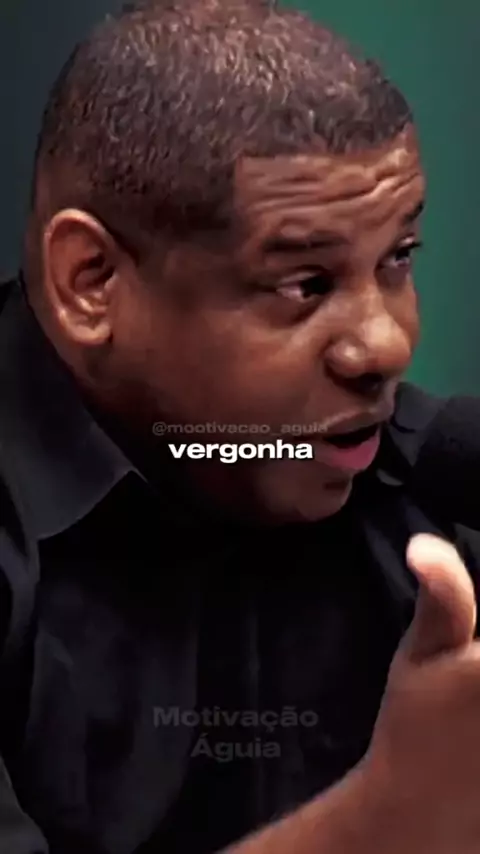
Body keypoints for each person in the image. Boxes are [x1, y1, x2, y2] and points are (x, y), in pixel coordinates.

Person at [1, 0, 480, 852]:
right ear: (92, 280)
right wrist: (391, 815)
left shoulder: (423, 482)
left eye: (397, 260)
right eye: (305, 284)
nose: (386, 345)